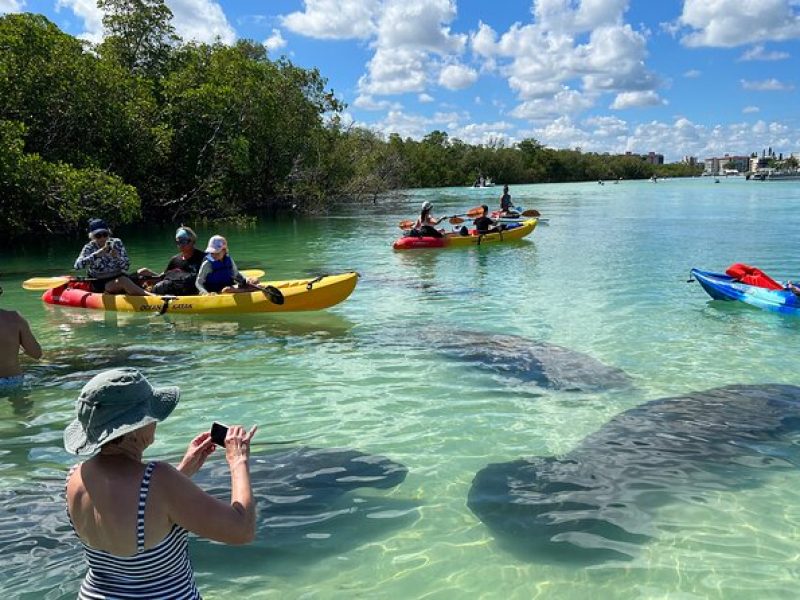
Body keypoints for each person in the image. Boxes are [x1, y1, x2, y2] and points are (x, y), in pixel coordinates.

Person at [64, 368, 257, 598]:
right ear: (133, 429)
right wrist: (238, 460)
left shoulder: (75, 477)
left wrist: (183, 471)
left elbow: (137, 508)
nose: (155, 420)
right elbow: (241, 529)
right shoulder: (159, 480)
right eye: (150, 415)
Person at [74, 218, 152, 296]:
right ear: (92, 236)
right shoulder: (89, 247)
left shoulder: (117, 243)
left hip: (119, 276)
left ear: (108, 233)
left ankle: (162, 285)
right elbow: (77, 266)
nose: (102, 238)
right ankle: (153, 297)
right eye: (98, 236)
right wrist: (96, 255)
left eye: (105, 234)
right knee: (123, 280)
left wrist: (117, 257)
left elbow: (126, 267)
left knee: (144, 271)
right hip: (101, 283)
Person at [138, 226, 205, 295]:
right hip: (175, 288)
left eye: (184, 241)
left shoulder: (203, 258)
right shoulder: (175, 260)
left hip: (192, 291)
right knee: (143, 272)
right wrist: (147, 277)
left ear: (192, 241)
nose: (180, 245)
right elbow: (162, 277)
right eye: (178, 242)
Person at [0, 286, 42, 391]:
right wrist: (17, 347)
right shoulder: (14, 318)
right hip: (12, 381)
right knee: (21, 405)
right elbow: (37, 354)